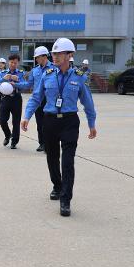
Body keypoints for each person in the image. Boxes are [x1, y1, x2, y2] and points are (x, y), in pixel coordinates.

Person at [21, 38, 97, 217]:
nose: (54, 56)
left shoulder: (79, 77)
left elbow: (88, 102)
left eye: (58, 53)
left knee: (68, 161)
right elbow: (36, 97)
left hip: (70, 121)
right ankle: (57, 185)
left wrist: (91, 124)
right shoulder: (47, 74)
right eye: (53, 53)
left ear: (69, 55)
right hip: (50, 121)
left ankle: (65, 199)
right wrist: (26, 116)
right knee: (52, 157)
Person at [17, 46, 55, 152]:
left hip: (51, 100)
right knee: (40, 123)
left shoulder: (54, 68)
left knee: (51, 123)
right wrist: (16, 84)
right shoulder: (35, 71)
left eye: (38, 57)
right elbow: (28, 84)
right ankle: (42, 143)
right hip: (38, 100)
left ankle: (51, 143)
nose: (36, 59)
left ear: (44, 56)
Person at [0, 54, 27, 149]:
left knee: (16, 121)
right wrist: (4, 78)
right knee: (2, 120)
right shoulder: (3, 73)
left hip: (16, 99)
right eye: (11, 62)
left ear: (18, 63)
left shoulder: (21, 73)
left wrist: (17, 82)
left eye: (15, 63)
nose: (13, 64)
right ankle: (7, 135)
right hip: (5, 98)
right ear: (8, 62)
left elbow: (25, 85)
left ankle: (14, 141)